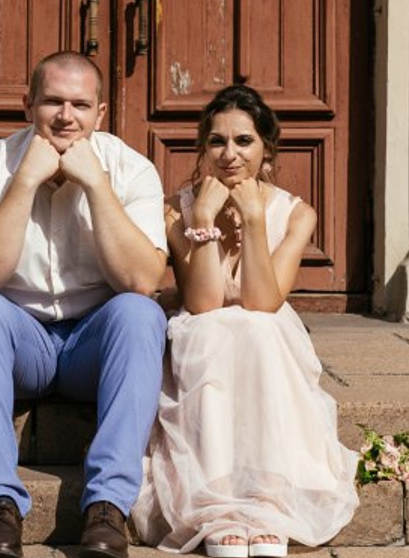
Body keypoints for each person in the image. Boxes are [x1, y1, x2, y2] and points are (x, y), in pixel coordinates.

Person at [0, 51, 168, 558]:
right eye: (52, 102)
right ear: (28, 105)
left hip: (95, 342)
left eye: (80, 105)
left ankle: (107, 506)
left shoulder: (132, 169)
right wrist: (25, 181)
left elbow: (141, 279)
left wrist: (96, 184)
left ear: (100, 113)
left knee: (141, 314)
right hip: (19, 340)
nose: (66, 116)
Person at [132, 84, 359, 557]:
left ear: (266, 148)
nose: (229, 154)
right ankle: (217, 504)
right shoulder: (177, 209)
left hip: (265, 335)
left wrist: (254, 219)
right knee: (211, 330)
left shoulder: (296, 214)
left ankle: (267, 500)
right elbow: (204, 302)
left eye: (243, 141)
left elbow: (262, 301)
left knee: (257, 328)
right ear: (203, 148)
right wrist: (204, 219)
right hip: (205, 332)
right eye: (216, 141)